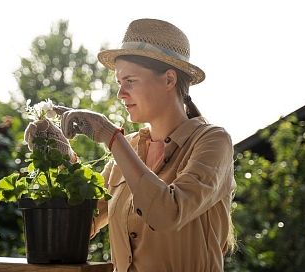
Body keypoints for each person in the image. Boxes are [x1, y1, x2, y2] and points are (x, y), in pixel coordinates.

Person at [56, 18, 236, 271]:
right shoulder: (127, 148)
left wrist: (111, 137)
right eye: (119, 83)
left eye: (130, 81)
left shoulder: (213, 142)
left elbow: (168, 213)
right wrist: (60, 158)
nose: (120, 94)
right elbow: (78, 226)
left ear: (169, 80)